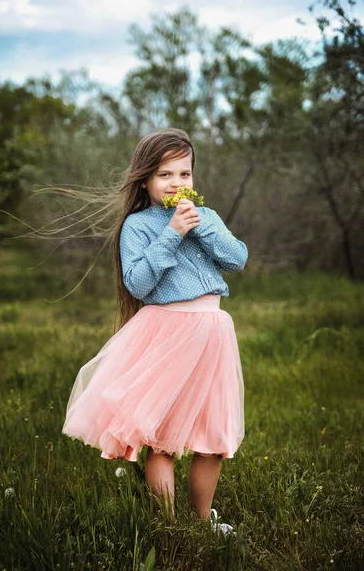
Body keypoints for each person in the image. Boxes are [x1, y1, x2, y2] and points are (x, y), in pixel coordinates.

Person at [61, 128, 248, 535]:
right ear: (145, 180)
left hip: (213, 329)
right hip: (169, 332)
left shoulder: (206, 216)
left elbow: (237, 259)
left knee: (213, 435)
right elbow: (139, 284)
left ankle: (201, 522)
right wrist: (173, 232)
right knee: (162, 436)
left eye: (185, 174)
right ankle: (170, 525)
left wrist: (200, 227)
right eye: (165, 175)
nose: (177, 184)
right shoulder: (139, 225)